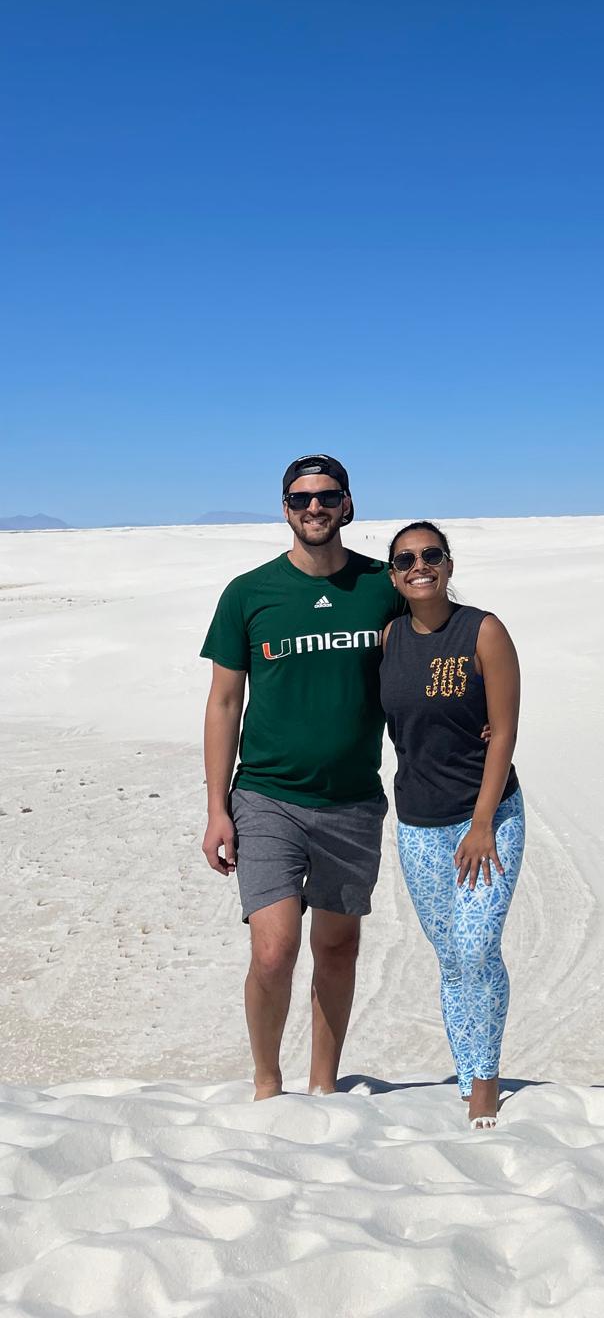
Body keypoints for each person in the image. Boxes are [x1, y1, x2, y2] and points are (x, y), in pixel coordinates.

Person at [199, 453, 403, 1100]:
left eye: (326, 496)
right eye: (299, 499)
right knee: (274, 951)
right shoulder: (249, 593)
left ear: (348, 505)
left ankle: (324, 1085)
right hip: (267, 797)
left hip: (352, 801)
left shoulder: (384, 586)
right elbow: (225, 701)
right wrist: (216, 807)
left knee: (337, 948)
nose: (313, 507)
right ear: (284, 508)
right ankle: (266, 1081)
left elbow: (436, 657)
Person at [380, 521, 524, 1130]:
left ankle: (486, 1078)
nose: (420, 565)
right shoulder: (387, 638)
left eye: (431, 555)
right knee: (450, 956)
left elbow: (505, 731)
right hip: (417, 822)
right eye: (407, 559)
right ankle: (464, 1073)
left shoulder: (483, 630)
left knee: (475, 945)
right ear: (394, 574)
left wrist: (484, 820)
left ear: (448, 564)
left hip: (484, 818)